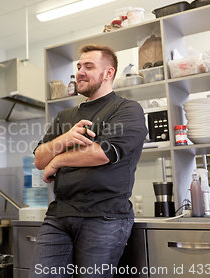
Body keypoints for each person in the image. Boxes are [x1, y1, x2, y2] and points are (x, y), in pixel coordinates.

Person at [30, 44, 147, 278]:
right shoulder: (65, 116)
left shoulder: (126, 109)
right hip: (59, 216)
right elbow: (39, 159)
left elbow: (103, 152)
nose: (80, 72)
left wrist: (58, 161)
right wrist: (64, 138)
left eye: (89, 66)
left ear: (108, 73)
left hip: (104, 216)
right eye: (79, 66)